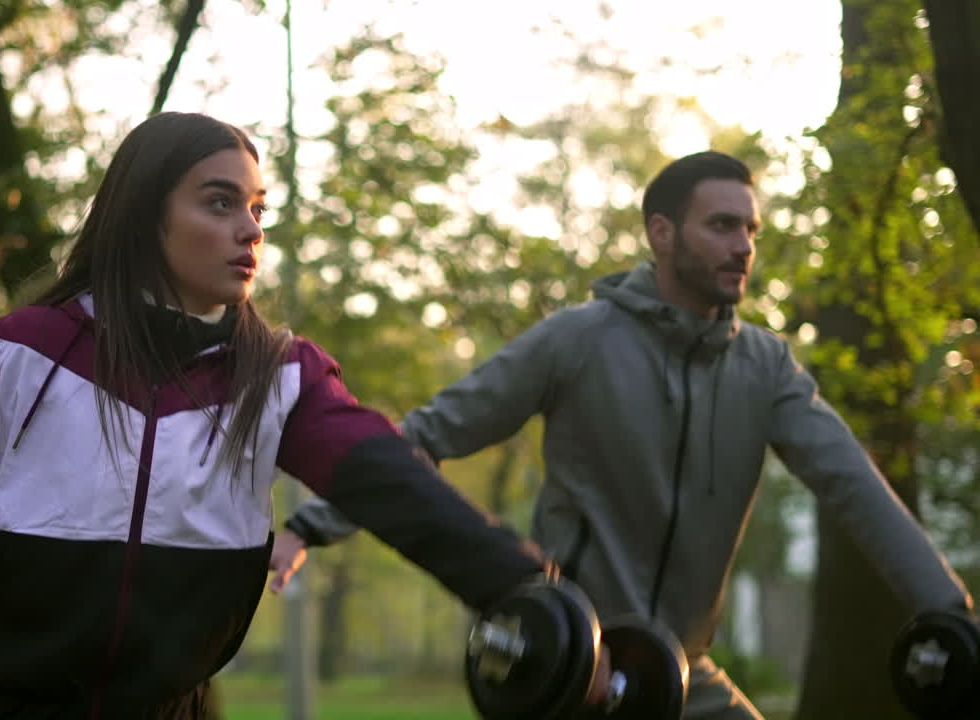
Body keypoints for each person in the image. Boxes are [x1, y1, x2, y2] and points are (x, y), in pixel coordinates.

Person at [0, 112, 551, 719]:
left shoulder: (281, 376)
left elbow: (391, 482)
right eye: (219, 203)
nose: (250, 231)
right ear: (146, 215)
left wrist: (521, 594)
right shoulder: (29, 352)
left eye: (258, 209)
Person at [270, 151, 975, 719]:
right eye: (722, 226)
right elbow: (433, 430)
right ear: (661, 233)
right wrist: (312, 521)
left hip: (686, 674)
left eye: (751, 231)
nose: (743, 247)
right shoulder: (578, 340)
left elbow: (852, 484)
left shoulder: (766, 368)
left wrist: (950, 611)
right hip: (575, 665)